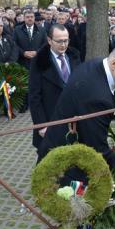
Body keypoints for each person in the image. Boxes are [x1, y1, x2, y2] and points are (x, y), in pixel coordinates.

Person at [37, 40, 115, 184]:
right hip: (64, 166)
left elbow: (106, 94)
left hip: (59, 144)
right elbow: (96, 146)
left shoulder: (98, 64)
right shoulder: (96, 97)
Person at [29, 24, 81, 152]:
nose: (63, 45)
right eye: (59, 41)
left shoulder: (74, 55)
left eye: (66, 40)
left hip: (73, 121)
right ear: (49, 40)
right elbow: (34, 96)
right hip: (50, 120)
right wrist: (41, 125)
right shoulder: (39, 61)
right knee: (48, 162)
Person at [12, 10, 47, 112]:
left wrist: (37, 52)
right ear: (24, 18)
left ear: (34, 18)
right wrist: (23, 53)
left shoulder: (41, 30)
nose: (30, 18)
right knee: (23, 83)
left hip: (37, 61)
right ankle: (24, 105)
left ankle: (35, 104)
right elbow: (14, 45)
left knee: (36, 83)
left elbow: (45, 44)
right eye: (27, 17)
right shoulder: (17, 30)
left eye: (31, 16)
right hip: (23, 61)